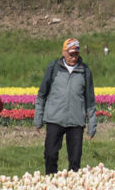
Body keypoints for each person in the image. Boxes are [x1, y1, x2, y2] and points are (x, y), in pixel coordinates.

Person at [35, 38, 97, 174]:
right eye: (70, 54)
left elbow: (90, 100)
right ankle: (50, 181)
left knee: (75, 160)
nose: (73, 57)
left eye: (76, 54)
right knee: (50, 154)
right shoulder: (53, 68)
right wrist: (38, 119)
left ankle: (71, 187)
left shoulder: (85, 71)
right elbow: (42, 94)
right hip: (54, 119)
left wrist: (92, 125)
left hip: (76, 121)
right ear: (63, 52)